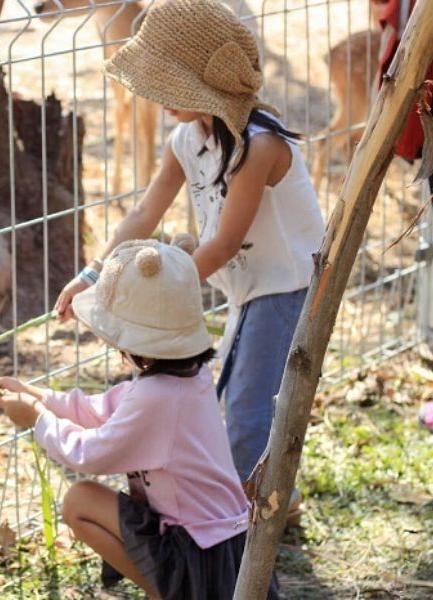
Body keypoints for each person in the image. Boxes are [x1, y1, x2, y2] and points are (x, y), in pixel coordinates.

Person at [54, 0, 325, 493]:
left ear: (207, 82)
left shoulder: (258, 146)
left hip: (287, 289)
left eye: (169, 84)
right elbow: (144, 213)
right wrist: (95, 274)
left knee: (246, 411)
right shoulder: (187, 137)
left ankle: (242, 541)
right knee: (241, 401)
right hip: (250, 288)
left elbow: (222, 244)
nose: (159, 97)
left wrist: (143, 297)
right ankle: (264, 506)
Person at [0, 239, 280, 599]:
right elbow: (96, 410)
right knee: (83, 500)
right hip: (223, 547)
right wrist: (30, 392)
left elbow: (90, 454)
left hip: (203, 558)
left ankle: (169, 593)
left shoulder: (157, 397)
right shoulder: (186, 377)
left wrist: (37, 419)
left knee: (79, 502)